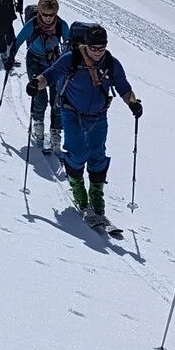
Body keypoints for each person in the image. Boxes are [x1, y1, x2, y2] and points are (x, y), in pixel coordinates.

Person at [26, 24, 142, 223]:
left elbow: (124, 88)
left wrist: (133, 102)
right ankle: (78, 189)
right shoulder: (71, 59)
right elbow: (50, 75)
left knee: (97, 155)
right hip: (71, 112)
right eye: (93, 48)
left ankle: (96, 196)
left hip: (99, 115)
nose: (97, 52)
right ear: (86, 45)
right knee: (77, 153)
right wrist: (36, 83)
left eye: (101, 48)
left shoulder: (111, 64)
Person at [8, 0, 70, 150]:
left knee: (57, 98)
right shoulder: (33, 24)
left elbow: (70, 46)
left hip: (55, 63)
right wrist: (11, 56)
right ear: (40, 12)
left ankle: (56, 131)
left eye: (51, 15)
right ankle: (38, 123)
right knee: (40, 97)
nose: (48, 18)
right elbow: (19, 40)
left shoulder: (61, 25)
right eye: (45, 14)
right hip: (34, 61)